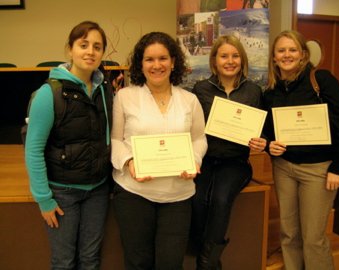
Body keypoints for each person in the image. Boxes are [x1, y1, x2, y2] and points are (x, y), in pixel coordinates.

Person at [111, 31, 208, 270]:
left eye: (163, 58)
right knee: (138, 262)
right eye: (149, 59)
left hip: (178, 194)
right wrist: (129, 162)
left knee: (171, 263)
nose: (157, 65)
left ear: (173, 62)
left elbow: (199, 138)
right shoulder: (124, 97)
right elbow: (115, 139)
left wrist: (194, 160)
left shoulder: (190, 100)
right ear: (140, 64)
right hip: (134, 192)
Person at [263, 30, 339, 270]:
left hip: (319, 170)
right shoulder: (271, 92)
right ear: (274, 57)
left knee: (314, 238)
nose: (287, 55)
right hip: (283, 168)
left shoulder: (321, 80)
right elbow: (268, 131)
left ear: (303, 53)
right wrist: (269, 145)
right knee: (289, 233)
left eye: (292, 50)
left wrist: (338, 167)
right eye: (281, 51)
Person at [25, 21, 113, 269]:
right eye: (83, 45)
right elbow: (33, 150)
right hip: (63, 193)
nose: (90, 52)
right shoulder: (48, 93)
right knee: (64, 262)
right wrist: (44, 199)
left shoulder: (104, 89)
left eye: (97, 47)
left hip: (97, 190)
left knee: (90, 260)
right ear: (69, 50)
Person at [191, 35, 267, 269]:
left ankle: (207, 262)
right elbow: (193, 127)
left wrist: (260, 142)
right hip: (205, 160)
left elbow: (262, 131)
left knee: (221, 199)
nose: (230, 61)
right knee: (197, 199)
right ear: (215, 61)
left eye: (235, 56)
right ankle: (200, 250)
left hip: (236, 162)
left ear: (242, 60)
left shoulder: (254, 91)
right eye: (224, 56)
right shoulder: (200, 89)